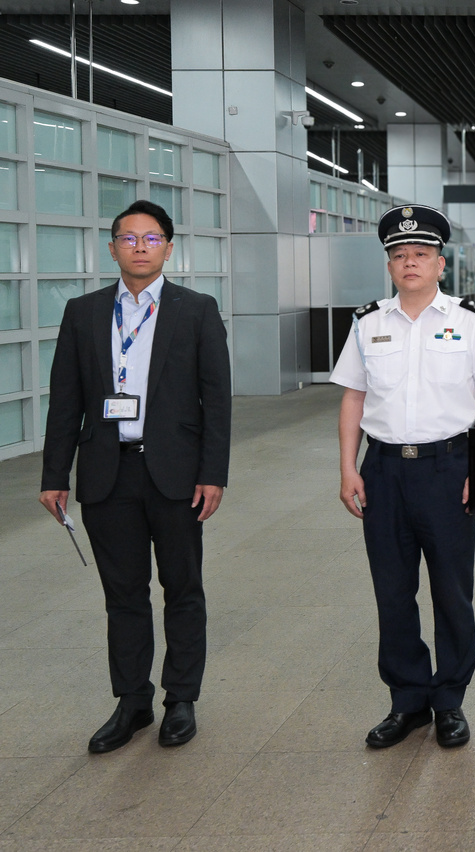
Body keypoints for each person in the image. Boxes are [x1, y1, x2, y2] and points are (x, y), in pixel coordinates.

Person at [39, 200, 232, 753]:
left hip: (176, 474)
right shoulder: (83, 312)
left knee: (182, 588)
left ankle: (181, 699)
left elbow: (217, 399)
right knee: (122, 594)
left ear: (168, 248)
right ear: (112, 248)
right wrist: (55, 474)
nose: (140, 247)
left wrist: (213, 473)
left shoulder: (196, 309)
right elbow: (65, 399)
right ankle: (132, 701)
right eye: (129, 238)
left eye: (151, 239)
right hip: (108, 473)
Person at [332, 204, 475, 750]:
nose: (409, 262)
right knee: (393, 591)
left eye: (420, 254)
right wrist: (347, 467)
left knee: (452, 592)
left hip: (449, 468)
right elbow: (353, 398)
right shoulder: (368, 323)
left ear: (440, 263)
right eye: (399, 255)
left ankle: (450, 700)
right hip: (384, 470)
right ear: (390, 265)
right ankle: (407, 700)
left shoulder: (470, 320)